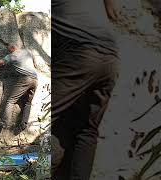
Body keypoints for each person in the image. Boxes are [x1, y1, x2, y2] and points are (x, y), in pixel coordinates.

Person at [52, 0, 119, 179]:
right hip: (111, 57)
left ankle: (30, 170)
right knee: (87, 130)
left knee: (41, 118)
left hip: (80, 52)